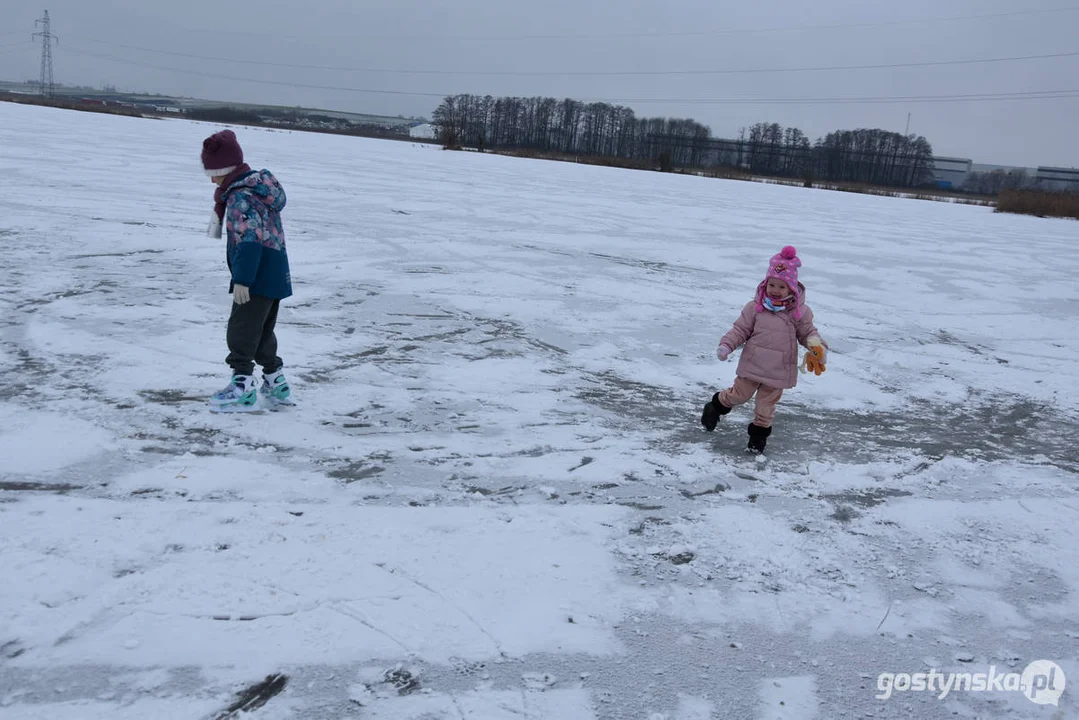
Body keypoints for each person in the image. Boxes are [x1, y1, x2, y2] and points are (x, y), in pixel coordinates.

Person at [201, 129, 295, 412]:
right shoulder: (260, 190)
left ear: (225, 168)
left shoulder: (240, 197)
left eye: (213, 172)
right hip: (274, 272)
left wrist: (242, 280)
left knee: (241, 331)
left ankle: (242, 386)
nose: (211, 178)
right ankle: (275, 381)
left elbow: (249, 241)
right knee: (262, 332)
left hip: (254, 273)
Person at [700, 245, 827, 453]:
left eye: (781, 287)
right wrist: (726, 345)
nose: (775, 290)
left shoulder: (799, 313)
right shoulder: (755, 308)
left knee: (765, 409)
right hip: (753, 365)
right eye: (772, 285)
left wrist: (816, 347)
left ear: (792, 289)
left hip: (778, 370)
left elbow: (808, 333)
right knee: (738, 396)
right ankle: (715, 406)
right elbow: (740, 329)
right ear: (765, 284)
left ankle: (757, 441)